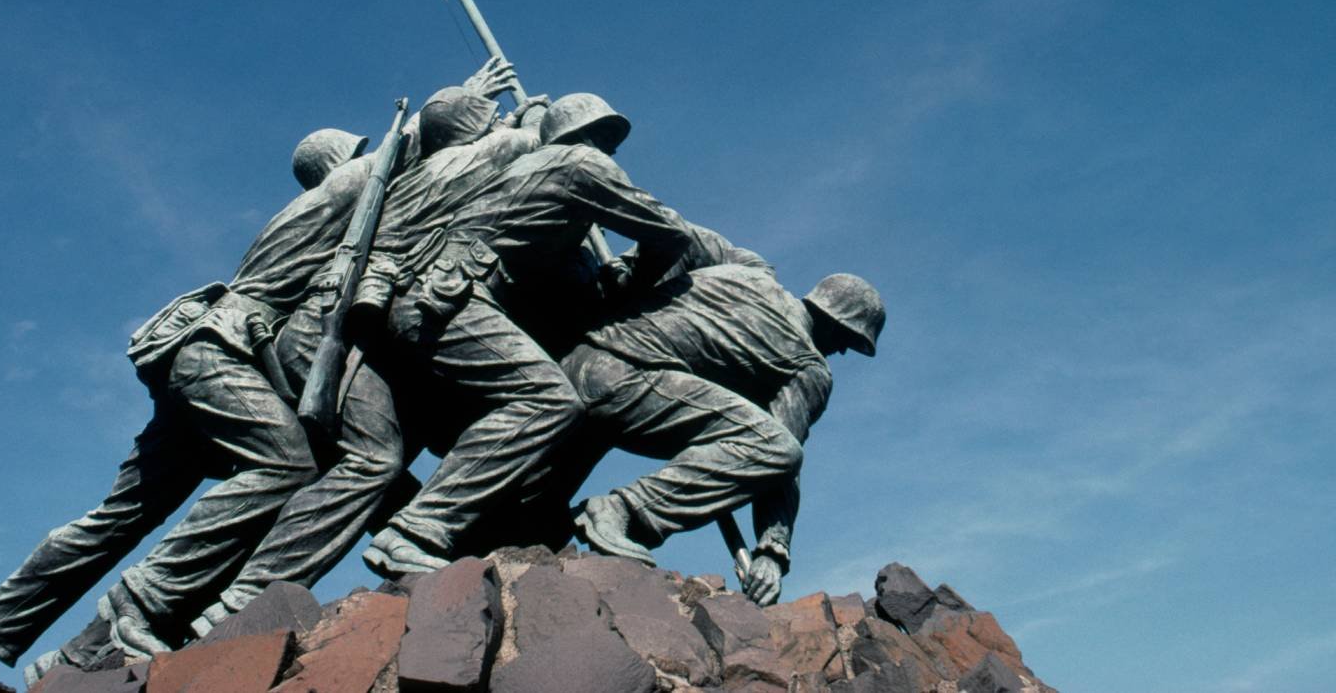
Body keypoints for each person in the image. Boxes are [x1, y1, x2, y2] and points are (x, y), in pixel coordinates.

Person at [0, 62, 515, 684]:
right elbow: (421, 148)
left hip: (198, 351)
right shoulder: (351, 186)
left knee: (122, 514)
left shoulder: (316, 202)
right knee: (285, 464)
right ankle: (140, 606)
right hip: (216, 351)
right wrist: (467, 103)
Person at [187, 84, 548, 630]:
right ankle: (246, 601)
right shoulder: (357, 183)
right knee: (373, 461)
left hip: (303, 332)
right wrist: (524, 112)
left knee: (380, 471)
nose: (364, 157)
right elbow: (514, 142)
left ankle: (237, 598)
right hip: (316, 328)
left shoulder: (354, 194)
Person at [362, 93, 700, 577]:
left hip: (434, 297)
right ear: (582, 136)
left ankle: (479, 534)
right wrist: (634, 285)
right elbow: (670, 233)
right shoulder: (582, 163)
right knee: (549, 400)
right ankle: (416, 530)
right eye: (605, 136)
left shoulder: (533, 174)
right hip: (447, 300)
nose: (611, 150)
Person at [504, 263, 885, 606]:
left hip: (573, 367)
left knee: (523, 524)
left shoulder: (747, 272)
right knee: (775, 447)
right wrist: (773, 551)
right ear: (837, 324)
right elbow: (781, 459)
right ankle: (625, 511)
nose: (843, 352)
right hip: (626, 384)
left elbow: (679, 243)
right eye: (849, 341)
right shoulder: (808, 365)